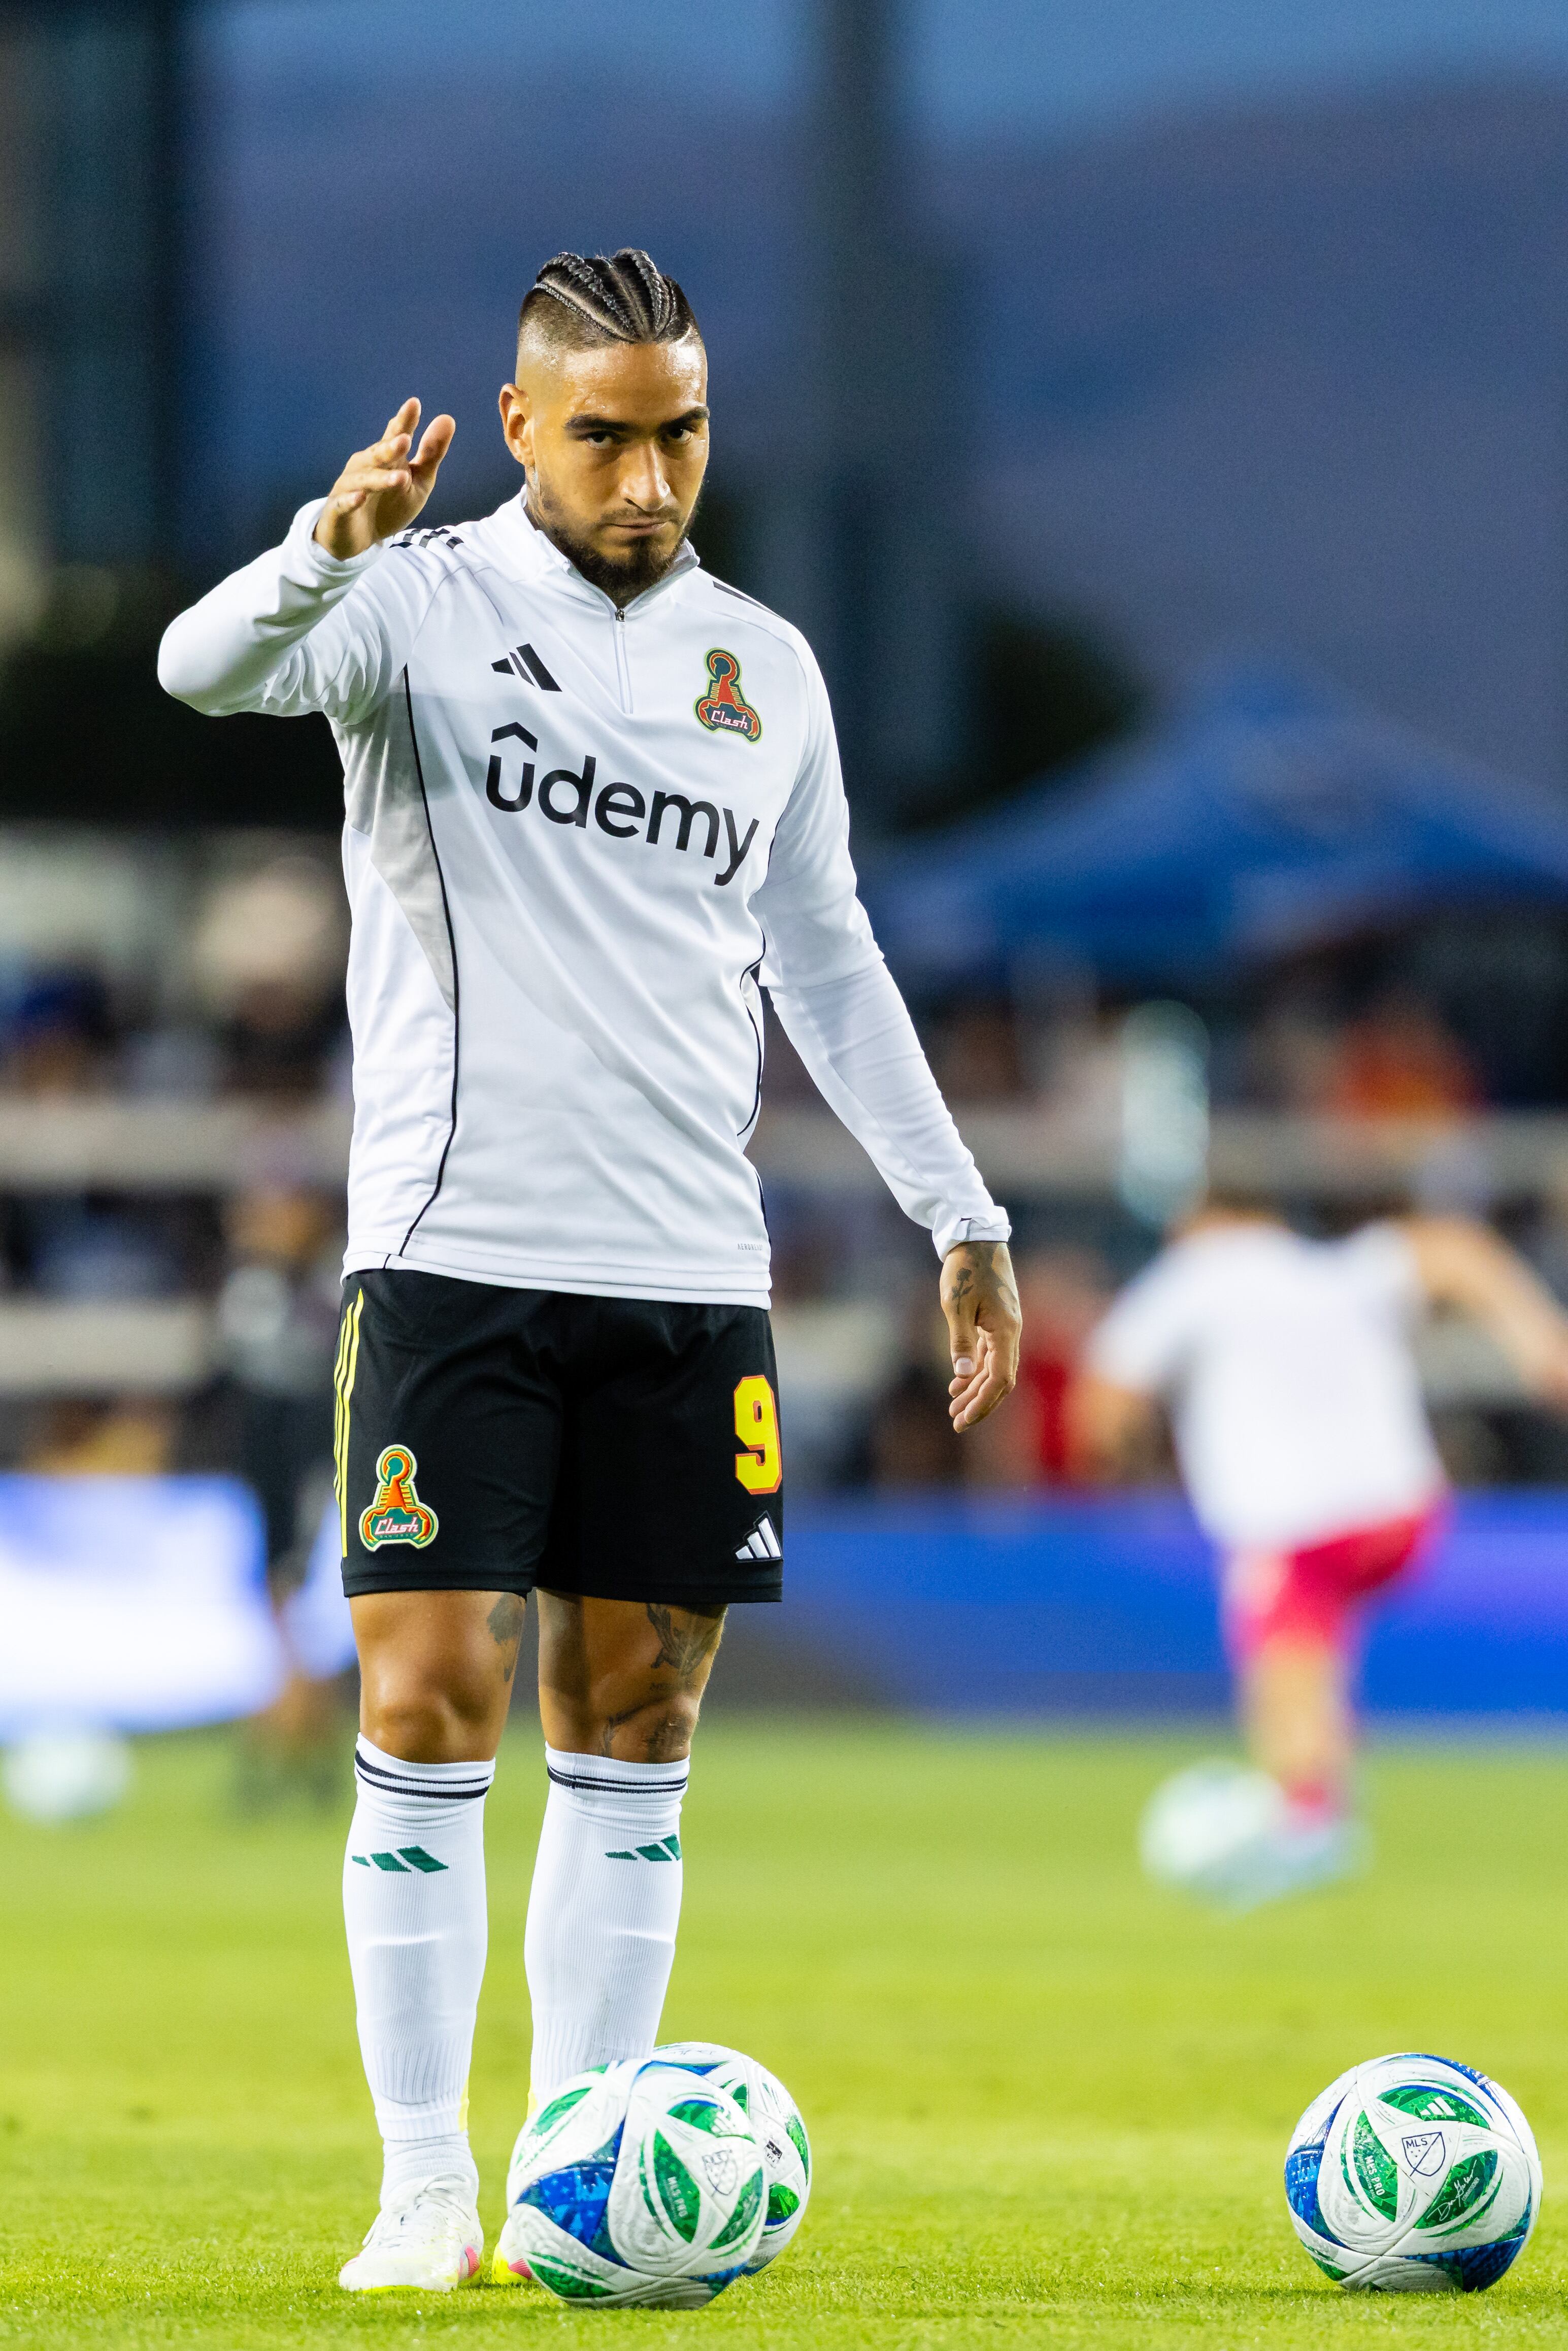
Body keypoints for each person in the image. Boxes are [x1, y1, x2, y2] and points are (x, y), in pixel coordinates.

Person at [158, 248, 1020, 2292]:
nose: (648, 477)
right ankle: (419, 2190)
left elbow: (827, 959)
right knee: (427, 1694)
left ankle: (576, 2174)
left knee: (634, 1724)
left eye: (682, 433)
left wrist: (959, 1209)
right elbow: (200, 668)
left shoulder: (762, 668)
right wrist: (325, 543)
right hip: (452, 1255)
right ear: (522, 424)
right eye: (608, 435)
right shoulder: (411, 604)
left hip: (690, 1276)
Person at [1074, 1197, 1568, 1905]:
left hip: (1298, 1518)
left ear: (1205, 1223)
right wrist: (1538, 1339)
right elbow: (1457, 1251)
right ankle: (1316, 1811)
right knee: (1308, 1649)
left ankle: (1309, 1826)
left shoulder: (1194, 1277)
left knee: (1282, 1659)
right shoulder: (1338, 1269)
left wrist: (1121, 1465)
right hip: (1402, 1512)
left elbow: (1107, 1392)